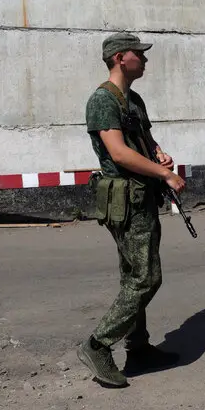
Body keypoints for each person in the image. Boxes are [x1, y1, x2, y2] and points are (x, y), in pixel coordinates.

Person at [77, 32, 187, 387]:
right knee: (146, 278)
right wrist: (165, 174)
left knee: (133, 276)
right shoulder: (102, 101)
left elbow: (144, 143)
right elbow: (119, 153)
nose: (145, 59)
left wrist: (159, 154)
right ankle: (98, 344)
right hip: (126, 200)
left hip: (141, 196)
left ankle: (138, 347)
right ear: (120, 58)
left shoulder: (133, 100)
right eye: (139, 53)